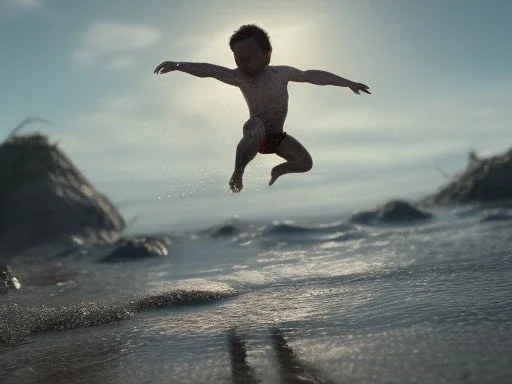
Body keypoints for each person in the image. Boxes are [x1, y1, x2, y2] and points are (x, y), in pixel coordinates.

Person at [154, 24, 370, 192]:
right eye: (238, 59)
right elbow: (210, 70)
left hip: (277, 138)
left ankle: (279, 170)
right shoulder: (239, 77)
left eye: (247, 59)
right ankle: (238, 173)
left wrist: (348, 83)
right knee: (256, 126)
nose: (242, 64)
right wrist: (178, 65)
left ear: (267, 54)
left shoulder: (281, 74)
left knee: (305, 163)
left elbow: (312, 76)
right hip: (254, 134)